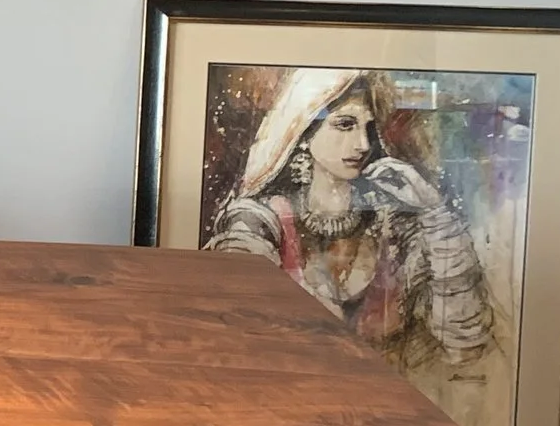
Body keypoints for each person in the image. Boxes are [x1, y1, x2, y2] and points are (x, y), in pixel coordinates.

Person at [205, 69, 492, 374]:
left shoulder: (394, 224)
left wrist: (435, 211)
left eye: (368, 128)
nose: (363, 144)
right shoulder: (258, 222)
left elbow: (465, 343)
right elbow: (233, 337)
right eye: (344, 125)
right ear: (302, 128)